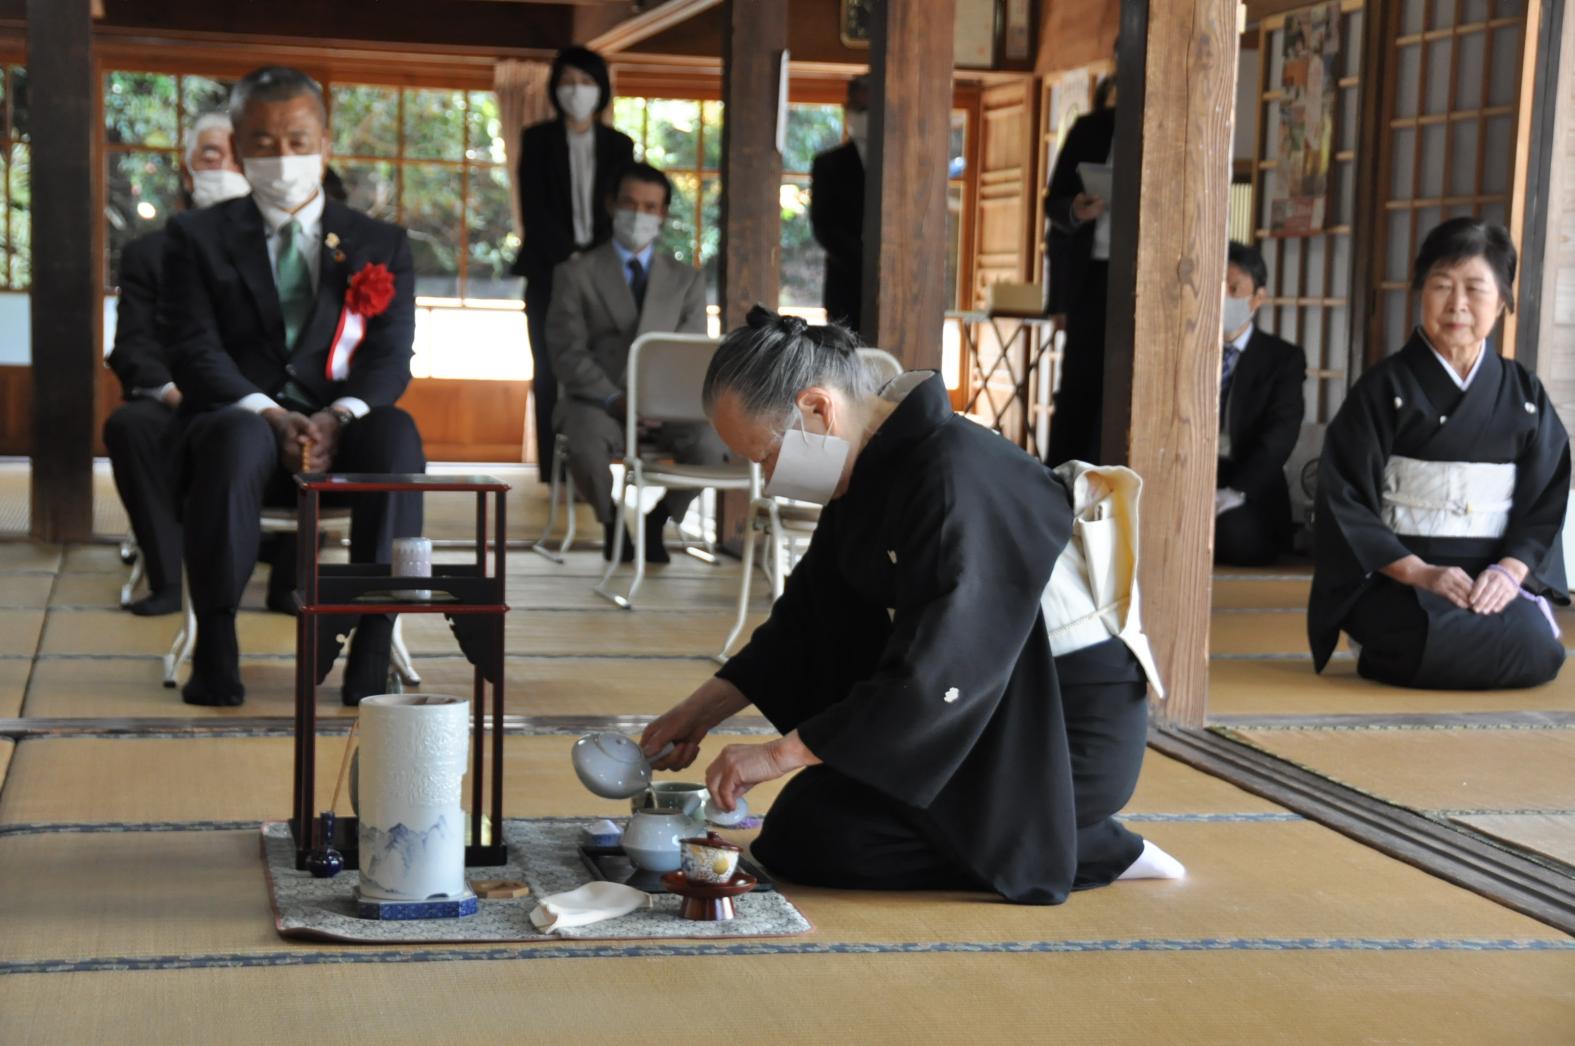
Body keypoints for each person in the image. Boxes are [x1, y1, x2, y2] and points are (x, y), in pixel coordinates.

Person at [640, 309, 1184, 905]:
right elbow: (807, 623)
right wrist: (697, 712)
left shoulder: (953, 477)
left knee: (816, 837)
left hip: (1061, 726)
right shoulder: (872, 468)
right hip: (989, 706)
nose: (767, 482)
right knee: (807, 820)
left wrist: (778, 754)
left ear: (818, 410)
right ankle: (1035, 832)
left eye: (765, 455)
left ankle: (1079, 841)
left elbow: (943, 668)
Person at [160, 66, 426, 708]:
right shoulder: (195, 238)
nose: (283, 160)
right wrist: (272, 416)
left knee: (396, 433)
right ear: (240, 143)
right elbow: (194, 350)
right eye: (263, 143)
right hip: (238, 436)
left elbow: (391, 359)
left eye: (298, 141)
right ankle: (217, 645)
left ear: (326, 144)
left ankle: (372, 641)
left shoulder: (379, 243)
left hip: (344, 437)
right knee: (233, 435)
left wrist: (338, 416)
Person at [1309, 218, 1569, 689]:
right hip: (1401, 577)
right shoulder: (1383, 388)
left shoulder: (1523, 393)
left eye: (1475, 289)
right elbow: (1342, 495)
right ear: (1420, 292)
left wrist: (1510, 573)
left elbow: (1546, 497)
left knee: (1537, 650)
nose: (1458, 305)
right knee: (1422, 641)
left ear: (1504, 301)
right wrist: (1420, 572)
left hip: (1490, 579)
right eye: (1442, 286)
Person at [104, 111, 251, 616]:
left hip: (257, 401)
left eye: (238, 154)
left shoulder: (282, 246)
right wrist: (174, 392)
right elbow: (132, 346)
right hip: (178, 400)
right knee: (130, 426)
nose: (225, 164)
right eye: (212, 153)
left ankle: (288, 579)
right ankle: (168, 580)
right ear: (188, 171)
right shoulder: (149, 253)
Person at [546, 162, 722, 562]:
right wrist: (615, 399)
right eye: (629, 203)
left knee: (714, 445)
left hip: (669, 405)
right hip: (598, 399)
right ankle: (611, 524)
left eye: (650, 205)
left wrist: (662, 402)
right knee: (585, 443)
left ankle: (658, 519)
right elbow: (566, 351)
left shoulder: (685, 279)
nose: (639, 214)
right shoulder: (575, 274)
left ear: (662, 213)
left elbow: (692, 351)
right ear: (611, 205)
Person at [511, 46, 636, 485]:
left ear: (601, 89)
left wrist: (595, 259)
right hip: (548, 269)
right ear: (554, 88)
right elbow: (535, 211)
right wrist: (570, 257)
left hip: (604, 274)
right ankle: (551, 471)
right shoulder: (537, 139)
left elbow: (621, 211)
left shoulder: (619, 145)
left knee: (600, 365)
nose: (576, 91)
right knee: (547, 367)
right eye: (567, 82)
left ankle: (597, 463)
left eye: (586, 82)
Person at [1215, 241, 1307, 565]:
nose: (1224, 298)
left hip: (1251, 484)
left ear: (1258, 298)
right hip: (1191, 478)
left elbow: (1280, 435)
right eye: (1216, 287)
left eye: (1234, 289)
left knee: (1232, 535)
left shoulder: (1282, 359)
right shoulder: (1186, 350)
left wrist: (1236, 492)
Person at [1044, 64, 1117, 467]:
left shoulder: (1174, 120)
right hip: (1092, 275)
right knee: (1079, 386)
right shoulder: (1090, 129)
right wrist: (1075, 208)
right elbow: (1054, 206)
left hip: (1147, 276)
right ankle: (1063, 483)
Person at [810, 75, 868, 334]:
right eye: (855, 109)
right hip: (845, 283)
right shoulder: (829, 164)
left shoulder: (904, 164)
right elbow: (823, 227)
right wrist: (867, 257)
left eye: (866, 110)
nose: (860, 116)